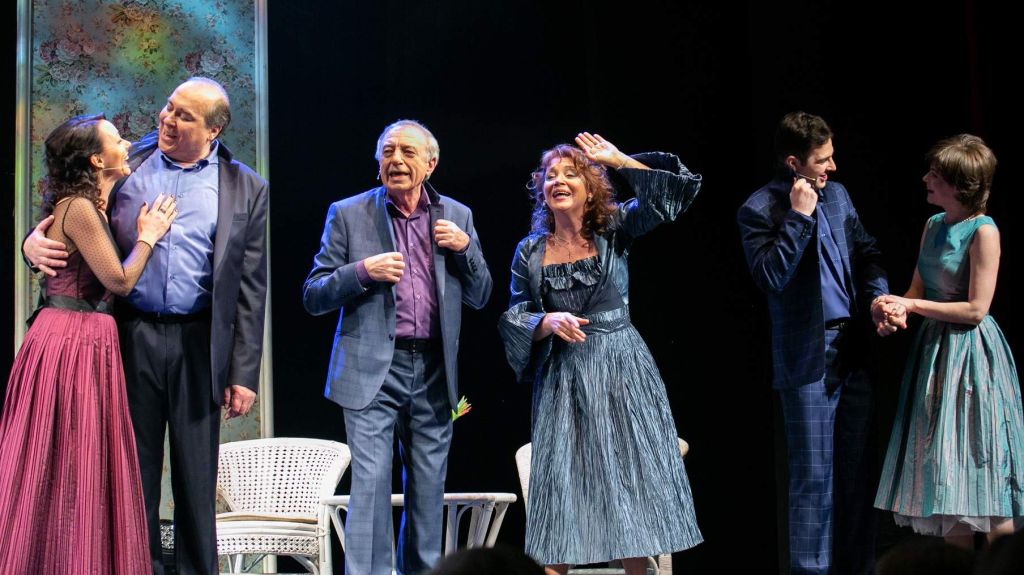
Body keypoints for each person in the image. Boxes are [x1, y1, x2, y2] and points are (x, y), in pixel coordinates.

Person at [22, 77, 269, 575]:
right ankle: (139, 567)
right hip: (128, 335)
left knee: (196, 475)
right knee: (132, 470)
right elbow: (68, 214)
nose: (167, 119)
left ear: (213, 130)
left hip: (199, 340)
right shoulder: (125, 164)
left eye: (184, 115)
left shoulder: (245, 186)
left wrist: (243, 372)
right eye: (169, 107)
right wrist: (31, 245)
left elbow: (251, 283)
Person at [498, 132, 703, 574]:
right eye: (550, 175)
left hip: (621, 368)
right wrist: (546, 322)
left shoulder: (615, 229)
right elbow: (516, 315)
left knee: (628, 482)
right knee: (561, 488)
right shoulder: (530, 251)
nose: (558, 181)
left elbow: (674, 196)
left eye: (570, 174)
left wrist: (620, 160)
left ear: (590, 188)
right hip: (563, 377)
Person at [303, 119, 492, 575]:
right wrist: (362, 272)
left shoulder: (457, 216)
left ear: (431, 163)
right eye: (388, 152)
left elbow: (481, 295)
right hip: (370, 369)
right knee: (369, 486)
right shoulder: (347, 213)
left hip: (433, 370)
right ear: (377, 161)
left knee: (428, 491)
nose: (397, 160)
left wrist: (465, 248)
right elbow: (313, 294)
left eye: (408, 152)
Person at [0, 114, 177, 572]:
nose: (127, 143)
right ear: (97, 159)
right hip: (71, 340)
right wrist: (148, 237)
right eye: (116, 139)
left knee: (79, 458)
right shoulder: (79, 207)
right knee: (64, 453)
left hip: (85, 338)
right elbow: (119, 280)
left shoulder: (89, 204)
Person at [737, 112, 903, 574]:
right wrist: (798, 217)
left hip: (854, 349)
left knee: (857, 474)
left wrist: (877, 299)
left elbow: (868, 254)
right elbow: (771, 277)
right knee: (813, 480)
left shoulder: (840, 196)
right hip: (808, 356)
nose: (832, 167)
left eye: (831, 156)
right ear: (794, 163)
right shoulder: (759, 208)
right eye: (822, 160)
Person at [873, 135, 1024, 549]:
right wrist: (894, 309)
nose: (925, 179)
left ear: (959, 186)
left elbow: (976, 309)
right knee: (945, 476)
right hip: (935, 354)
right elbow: (916, 289)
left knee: (982, 467)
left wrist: (913, 304)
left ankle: (1001, 563)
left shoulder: (984, 232)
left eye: (935, 175)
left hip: (972, 356)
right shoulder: (933, 225)